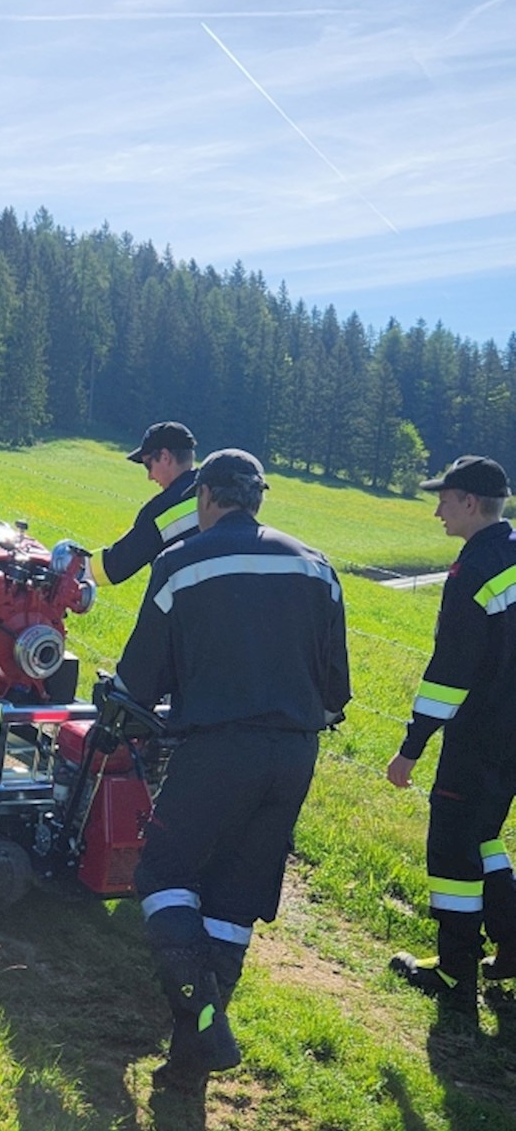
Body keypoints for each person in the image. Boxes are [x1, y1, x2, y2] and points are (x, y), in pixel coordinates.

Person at [114, 448, 351, 1093]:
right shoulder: (318, 567)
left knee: (162, 875)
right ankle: (190, 1063)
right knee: (232, 901)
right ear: (258, 498)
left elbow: (138, 684)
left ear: (205, 497)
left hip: (217, 750)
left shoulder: (180, 563)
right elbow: (335, 693)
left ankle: (206, 1025)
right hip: (295, 756)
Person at [386, 455, 516, 1014]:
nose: (438, 511)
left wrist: (411, 748)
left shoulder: (475, 570)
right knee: (484, 836)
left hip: (480, 738)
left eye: (444, 500)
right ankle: (512, 945)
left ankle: (454, 972)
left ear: (469, 502)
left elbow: (450, 674)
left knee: (453, 849)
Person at [92, 420, 200, 586]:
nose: (149, 477)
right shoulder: (219, 492)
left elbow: (116, 565)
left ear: (165, 457)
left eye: (149, 465)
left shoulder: (161, 510)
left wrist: (73, 565)